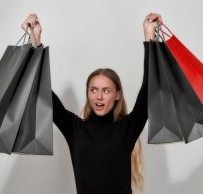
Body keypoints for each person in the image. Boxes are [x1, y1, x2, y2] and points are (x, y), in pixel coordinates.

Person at [21, 13, 161, 194]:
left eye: (106, 90)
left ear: (117, 95)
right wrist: (35, 41)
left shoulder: (128, 127)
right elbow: (40, 90)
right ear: (88, 93)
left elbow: (150, 87)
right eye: (93, 90)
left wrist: (149, 38)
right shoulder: (74, 128)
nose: (99, 97)